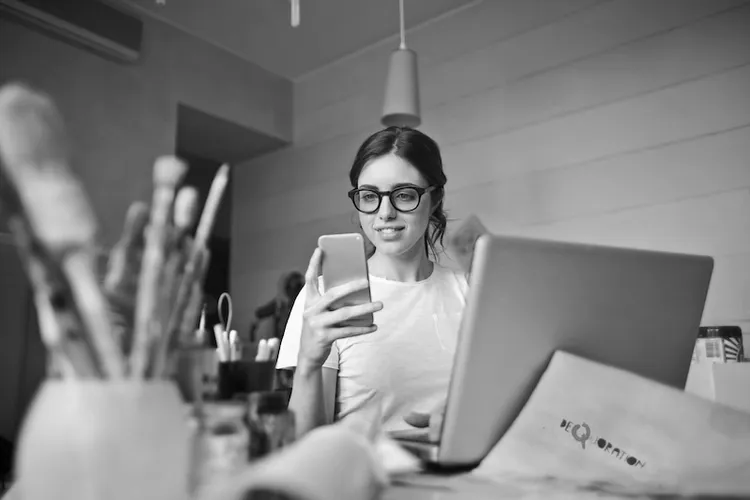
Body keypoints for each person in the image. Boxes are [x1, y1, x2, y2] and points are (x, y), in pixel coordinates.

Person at [276, 126, 468, 437]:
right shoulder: (326, 299)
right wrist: (309, 363)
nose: (385, 213)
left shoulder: (471, 292)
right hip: (359, 479)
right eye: (370, 196)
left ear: (434, 199)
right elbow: (304, 446)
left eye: (404, 195)